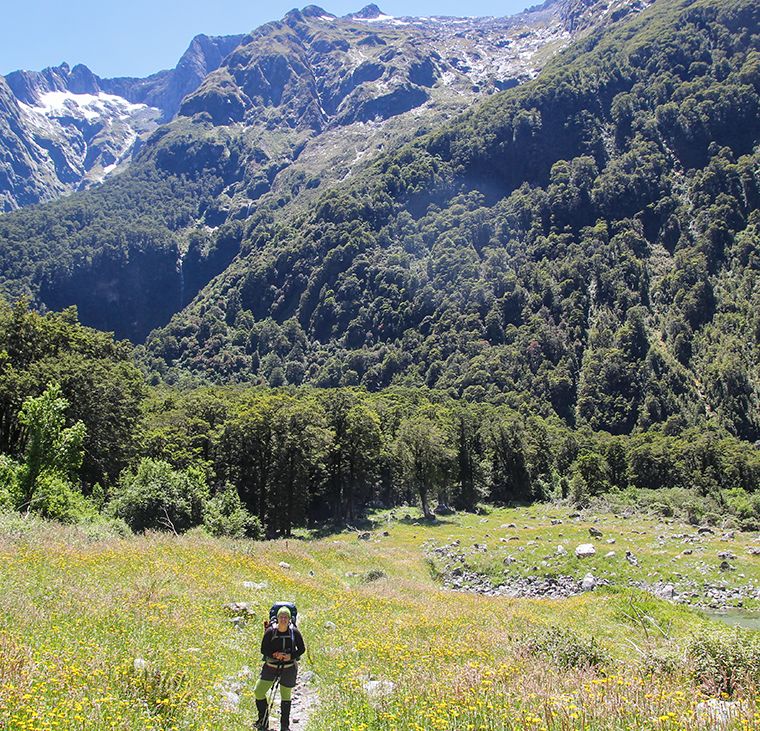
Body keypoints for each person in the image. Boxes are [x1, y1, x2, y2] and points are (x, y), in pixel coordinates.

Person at [254, 606, 306, 731]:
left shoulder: (295, 632)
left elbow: (302, 649)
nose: (283, 619)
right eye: (281, 617)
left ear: (289, 619)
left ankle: (284, 726)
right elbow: (263, 649)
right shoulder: (270, 632)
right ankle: (263, 721)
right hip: (271, 666)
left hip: (288, 668)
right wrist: (275, 654)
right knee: (258, 691)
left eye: (286, 617)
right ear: (277, 618)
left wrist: (290, 656)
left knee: (286, 696)